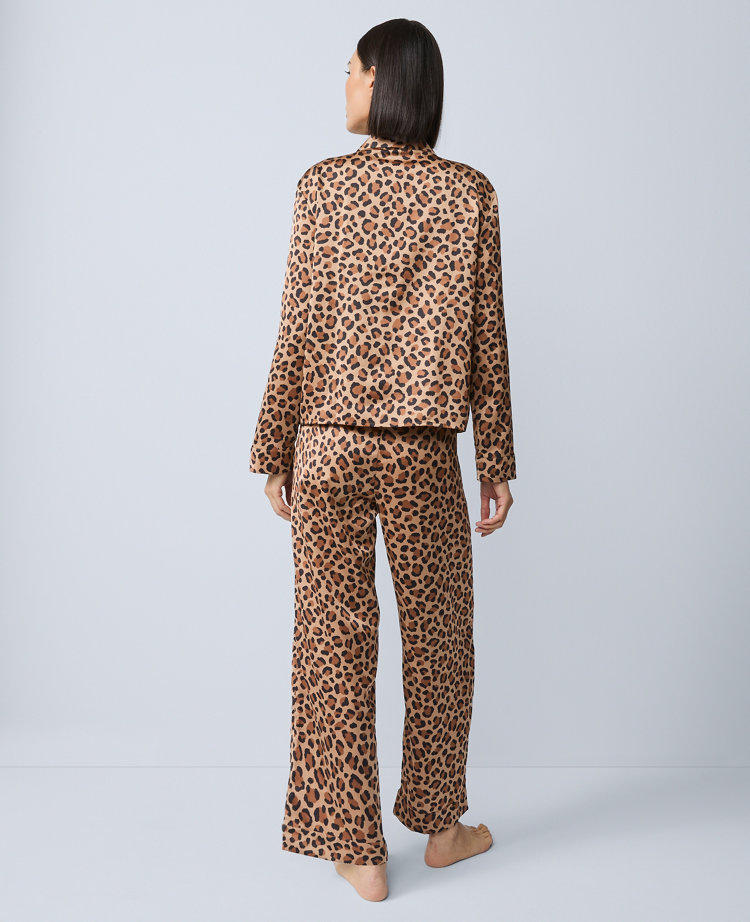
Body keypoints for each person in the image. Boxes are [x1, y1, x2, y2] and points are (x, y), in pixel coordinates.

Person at [248, 18, 516, 902]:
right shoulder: (468, 194)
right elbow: (487, 340)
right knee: (439, 639)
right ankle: (441, 829)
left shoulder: (322, 187)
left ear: (383, 81)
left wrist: (274, 446)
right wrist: (496, 458)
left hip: (325, 443)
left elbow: (298, 323)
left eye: (352, 69)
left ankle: (356, 850)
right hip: (420, 452)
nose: (345, 82)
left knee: (332, 640)